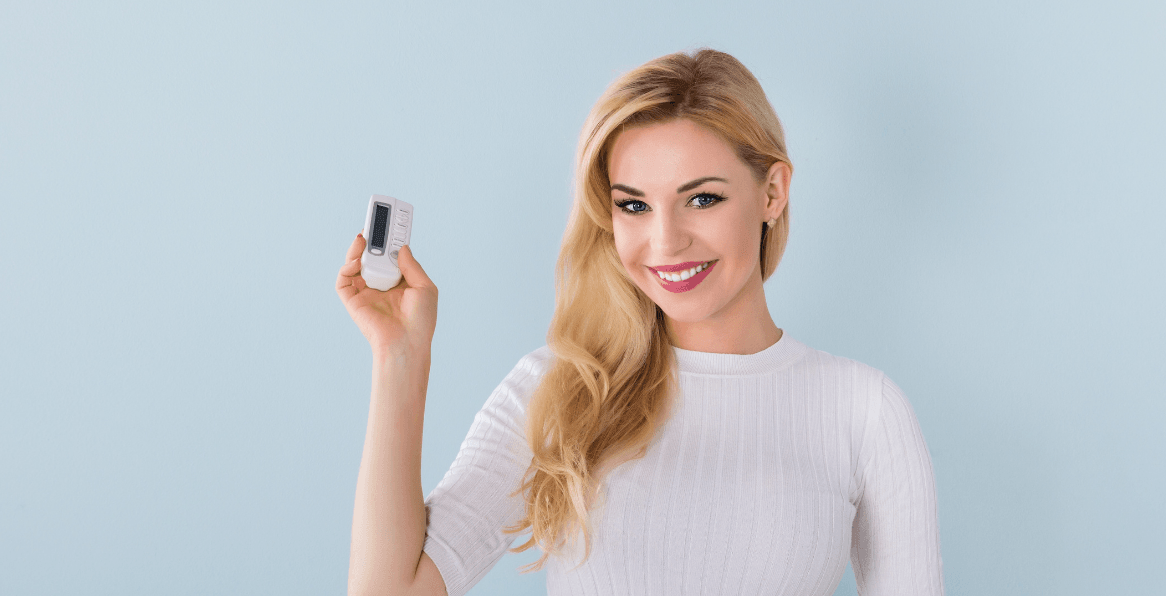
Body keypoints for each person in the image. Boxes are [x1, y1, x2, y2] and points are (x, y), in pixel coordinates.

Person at [336, 49, 943, 596]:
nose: (665, 240)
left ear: (772, 193)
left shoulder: (864, 411)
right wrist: (400, 357)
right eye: (634, 205)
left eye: (702, 198)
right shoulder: (561, 389)